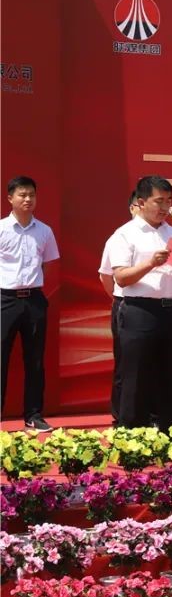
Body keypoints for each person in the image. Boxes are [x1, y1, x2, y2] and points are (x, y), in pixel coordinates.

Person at [108, 175, 172, 429]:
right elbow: (121, 277)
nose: (164, 207)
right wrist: (150, 263)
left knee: (171, 375)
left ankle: (170, 433)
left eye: (168, 201)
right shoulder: (125, 234)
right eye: (159, 201)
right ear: (141, 202)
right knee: (136, 378)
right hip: (139, 311)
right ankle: (132, 436)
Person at [1, 176, 60, 431]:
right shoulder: (2, 229)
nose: (28, 199)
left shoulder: (44, 231)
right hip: (5, 299)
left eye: (32, 195)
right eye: (22, 195)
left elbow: (48, 265)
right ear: (10, 198)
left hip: (34, 299)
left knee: (35, 360)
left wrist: (34, 288)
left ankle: (33, 415)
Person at [98, 192, 139, 426]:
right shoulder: (120, 236)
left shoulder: (165, 234)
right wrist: (117, 297)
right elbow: (106, 275)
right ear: (134, 207)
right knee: (125, 363)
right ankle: (120, 415)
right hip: (124, 304)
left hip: (153, 307)